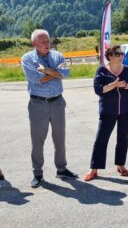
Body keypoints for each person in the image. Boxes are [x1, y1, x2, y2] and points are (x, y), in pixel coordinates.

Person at [21, 29, 78, 188]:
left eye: (48, 40)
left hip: (57, 102)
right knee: (38, 140)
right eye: (43, 41)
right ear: (34, 44)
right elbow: (35, 79)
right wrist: (55, 73)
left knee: (60, 137)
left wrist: (45, 70)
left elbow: (66, 73)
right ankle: (38, 173)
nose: (48, 43)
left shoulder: (57, 55)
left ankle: (61, 168)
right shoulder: (27, 58)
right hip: (38, 104)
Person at [84, 45, 128, 181]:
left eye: (122, 53)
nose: (122, 56)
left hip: (125, 110)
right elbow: (98, 90)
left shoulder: (127, 70)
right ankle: (94, 168)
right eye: (119, 53)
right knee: (101, 139)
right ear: (111, 56)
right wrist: (114, 85)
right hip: (108, 111)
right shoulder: (101, 70)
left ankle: (120, 164)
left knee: (123, 139)